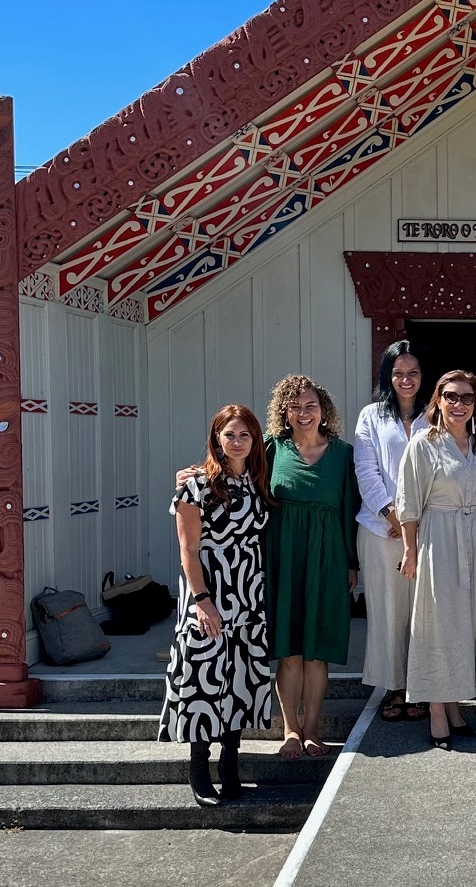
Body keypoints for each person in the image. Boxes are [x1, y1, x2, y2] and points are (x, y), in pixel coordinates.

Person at [159, 403, 275, 807]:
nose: (238, 442)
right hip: (209, 594)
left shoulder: (258, 481)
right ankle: (198, 767)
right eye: (230, 435)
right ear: (216, 439)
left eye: (245, 435)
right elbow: (188, 551)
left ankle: (230, 763)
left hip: (248, 596)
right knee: (202, 679)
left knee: (240, 680)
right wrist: (203, 602)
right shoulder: (195, 486)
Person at [397, 369, 476, 750]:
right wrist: (411, 551)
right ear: (438, 400)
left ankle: (455, 705)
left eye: (466, 397)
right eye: (451, 396)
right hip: (438, 537)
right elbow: (409, 503)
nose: (458, 404)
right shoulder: (423, 443)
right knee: (438, 624)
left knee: (467, 624)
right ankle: (436, 710)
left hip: (475, 535)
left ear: (475, 403)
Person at [264, 374, 359, 758]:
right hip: (281, 558)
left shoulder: (343, 453)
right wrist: (190, 475)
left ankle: (313, 728)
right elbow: (228, 470)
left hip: (328, 558)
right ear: (284, 412)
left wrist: (352, 563)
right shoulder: (270, 449)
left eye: (311, 406)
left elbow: (351, 510)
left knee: (316, 650)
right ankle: (289, 728)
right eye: (295, 406)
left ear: (324, 411)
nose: (304, 413)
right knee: (288, 650)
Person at [352, 340, 427, 723]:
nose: (406, 379)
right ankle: (393, 687)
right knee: (386, 611)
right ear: (387, 375)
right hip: (381, 530)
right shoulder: (371, 416)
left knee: (422, 611)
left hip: (428, 531)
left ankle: (421, 686)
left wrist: (414, 520)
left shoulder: (438, 414)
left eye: (413, 372)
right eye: (398, 372)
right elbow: (365, 469)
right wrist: (392, 514)